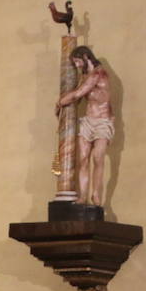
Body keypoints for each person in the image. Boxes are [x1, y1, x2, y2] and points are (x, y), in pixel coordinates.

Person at [54, 45, 113, 206]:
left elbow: (78, 94)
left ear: (86, 57)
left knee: (98, 157)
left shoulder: (98, 73)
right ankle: (83, 196)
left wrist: (60, 102)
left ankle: (96, 195)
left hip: (102, 121)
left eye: (78, 61)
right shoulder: (85, 76)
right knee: (83, 159)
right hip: (88, 121)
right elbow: (78, 96)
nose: (77, 65)